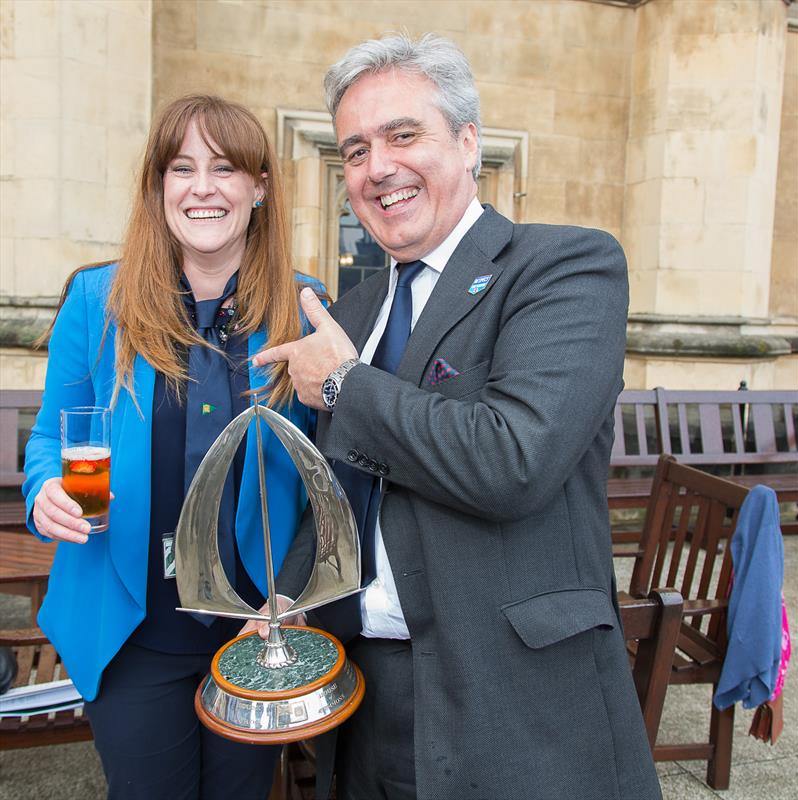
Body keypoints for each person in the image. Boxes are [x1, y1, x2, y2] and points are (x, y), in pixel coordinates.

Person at [254, 34, 663, 800]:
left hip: (515, 701)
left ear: (469, 142)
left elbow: (516, 460)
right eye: (355, 150)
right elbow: (343, 487)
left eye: (403, 135)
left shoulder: (564, 267)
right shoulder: (358, 306)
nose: (378, 168)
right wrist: (291, 592)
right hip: (365, 692)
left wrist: (343, 382)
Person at [23, 95, 324, 800]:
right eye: (182, 167)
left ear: (259, 187)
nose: (203, 187)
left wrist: (301, 592)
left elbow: (328, 475)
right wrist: (44, 490)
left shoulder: (307, 308)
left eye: (225, 168)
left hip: (257, 628)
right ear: (159, 187)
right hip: (129, 624)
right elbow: (49, 437)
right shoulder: (98, 300)